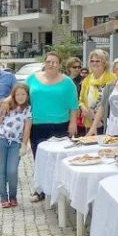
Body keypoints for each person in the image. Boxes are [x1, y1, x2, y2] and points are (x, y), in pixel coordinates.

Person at [25, 51, 78, 202]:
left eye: (55, 62)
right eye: (49, 61)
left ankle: (61, 190)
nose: (51, 64)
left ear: (60, 65)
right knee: (39, 159)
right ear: (45, 63)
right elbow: (19, 94)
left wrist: (73, 123)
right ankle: (39, 190)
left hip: (60, 125)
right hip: (37, 125)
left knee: (59, 160)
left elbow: (73, 105)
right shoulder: (32, 78)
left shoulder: (67, 82)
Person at [0, 83, 32, 208]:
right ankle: (4, 198)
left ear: (27, 96)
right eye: (17, 94)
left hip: (16, 143)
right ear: (13, 95)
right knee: (1, 170)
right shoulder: (7, 107)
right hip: (2, 140)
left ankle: (12, 196)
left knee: (12, 171)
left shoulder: (28, 109)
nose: (20, 97)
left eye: (23, 94)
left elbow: (27, 129)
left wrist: (24, 144)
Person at [89, 56, 118, 138]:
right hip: (112, 131)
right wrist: (93, 127)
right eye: (117, 69)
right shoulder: (109, 87)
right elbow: (102, 107)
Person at [79, 49, 116, 136]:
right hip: (89, 121)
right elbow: (80, 100)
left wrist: (97, 117)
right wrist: (83, 108)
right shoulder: (86, 80)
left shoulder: (113, 79)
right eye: (92, 61)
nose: (94, 63)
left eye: (97, 61)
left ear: (104, 63)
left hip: (106, 122)